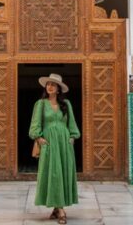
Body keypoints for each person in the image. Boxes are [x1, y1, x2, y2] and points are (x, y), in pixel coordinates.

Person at [28, 73, 80, 224]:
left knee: (63, 173)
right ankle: (61, 210)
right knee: (53, 174)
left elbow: (72, 123)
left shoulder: (66, 104)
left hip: (64, 143)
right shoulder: (41, 104)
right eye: (48, 84)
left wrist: (72, 137)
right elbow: (35, 123)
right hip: (49, 143)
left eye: (53, 85)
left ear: (58, 89)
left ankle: (58, 208)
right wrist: (39, 138)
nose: (49, 87)